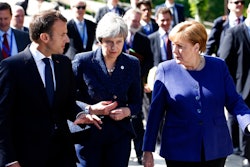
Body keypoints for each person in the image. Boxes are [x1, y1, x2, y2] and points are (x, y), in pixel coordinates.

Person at [0, 9, 112, 167]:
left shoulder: (64, 63)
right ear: (44, 37)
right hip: (27, 158)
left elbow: (67, 103)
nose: (67, 39)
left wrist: (81, 113)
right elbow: (2, 118)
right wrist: (9, 160)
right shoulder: (12, 67)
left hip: (62, 155)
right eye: (62, 34)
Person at [142, 20, 250, 167]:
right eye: (173, 44)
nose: (174, 51)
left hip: (215, 147)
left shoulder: (218, 66)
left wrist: (248, 122)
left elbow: (234, 101)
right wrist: (147, 150)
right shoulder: (165, 70)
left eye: (180, 46)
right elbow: (155, 114)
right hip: (178, 149)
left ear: (196, 47)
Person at [72, 12, 141, 167]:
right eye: (109, 42)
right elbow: (67, 98)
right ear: (100, 40)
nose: (114, 47)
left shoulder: (132, 63)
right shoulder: (83, 61)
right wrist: (89, 109)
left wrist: (127, 111)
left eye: (119, 41)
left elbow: (137, 102)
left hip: (119, 136)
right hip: (89, 134)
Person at [218, 3, 250, 166]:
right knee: (242, 119)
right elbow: (223, 63)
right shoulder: (233, 33)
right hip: (240, 85)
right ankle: (245, 153)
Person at [122, 8, 153, 165]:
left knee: (136, 119)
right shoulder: (116, 36)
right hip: (117, 84)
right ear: (125, 19)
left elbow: (149, 61)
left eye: (138, 21)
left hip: (136, 84)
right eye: (134, 20)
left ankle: (140, 153)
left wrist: (138, 69)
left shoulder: (143, 39)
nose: (136, 23)